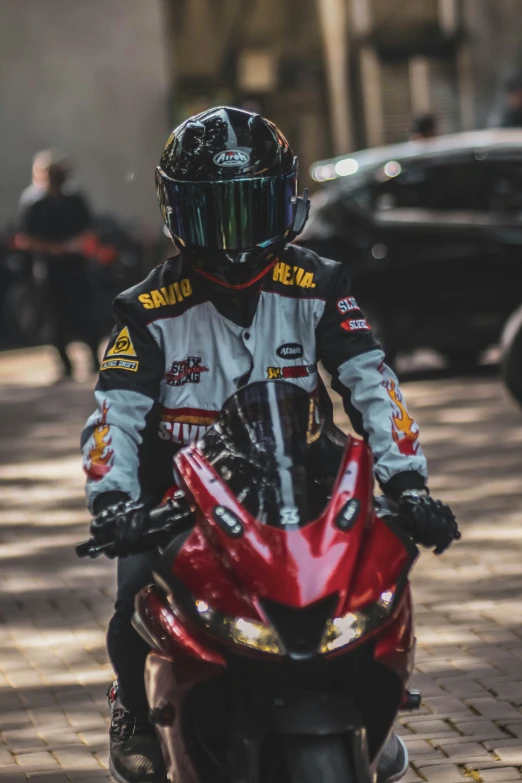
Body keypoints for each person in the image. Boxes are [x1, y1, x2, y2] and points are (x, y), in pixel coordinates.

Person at [81, 107, 460, 783]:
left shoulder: (321, 284)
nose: (234, 238)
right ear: (177, 213)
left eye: (251, 208)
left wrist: (409, 484)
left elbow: (374, 385)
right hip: (179, 495)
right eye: (213, 214)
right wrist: (113, 504)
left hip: (300, 481)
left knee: (372, 573)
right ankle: (133, 709)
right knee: (132, 596)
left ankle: (378, 696)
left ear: (288, 203)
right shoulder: (144, 309)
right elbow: (115, 415)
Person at [17, 152, 100, 380]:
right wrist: (52, 248)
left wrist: (75, 244)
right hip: (49, 269)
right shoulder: (33, 202)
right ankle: (65, 365)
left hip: (76, 266)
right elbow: (25, 238)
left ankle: (93, 359)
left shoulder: (74, 198)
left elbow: (89, 227)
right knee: (55, 318)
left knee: (85, 313)